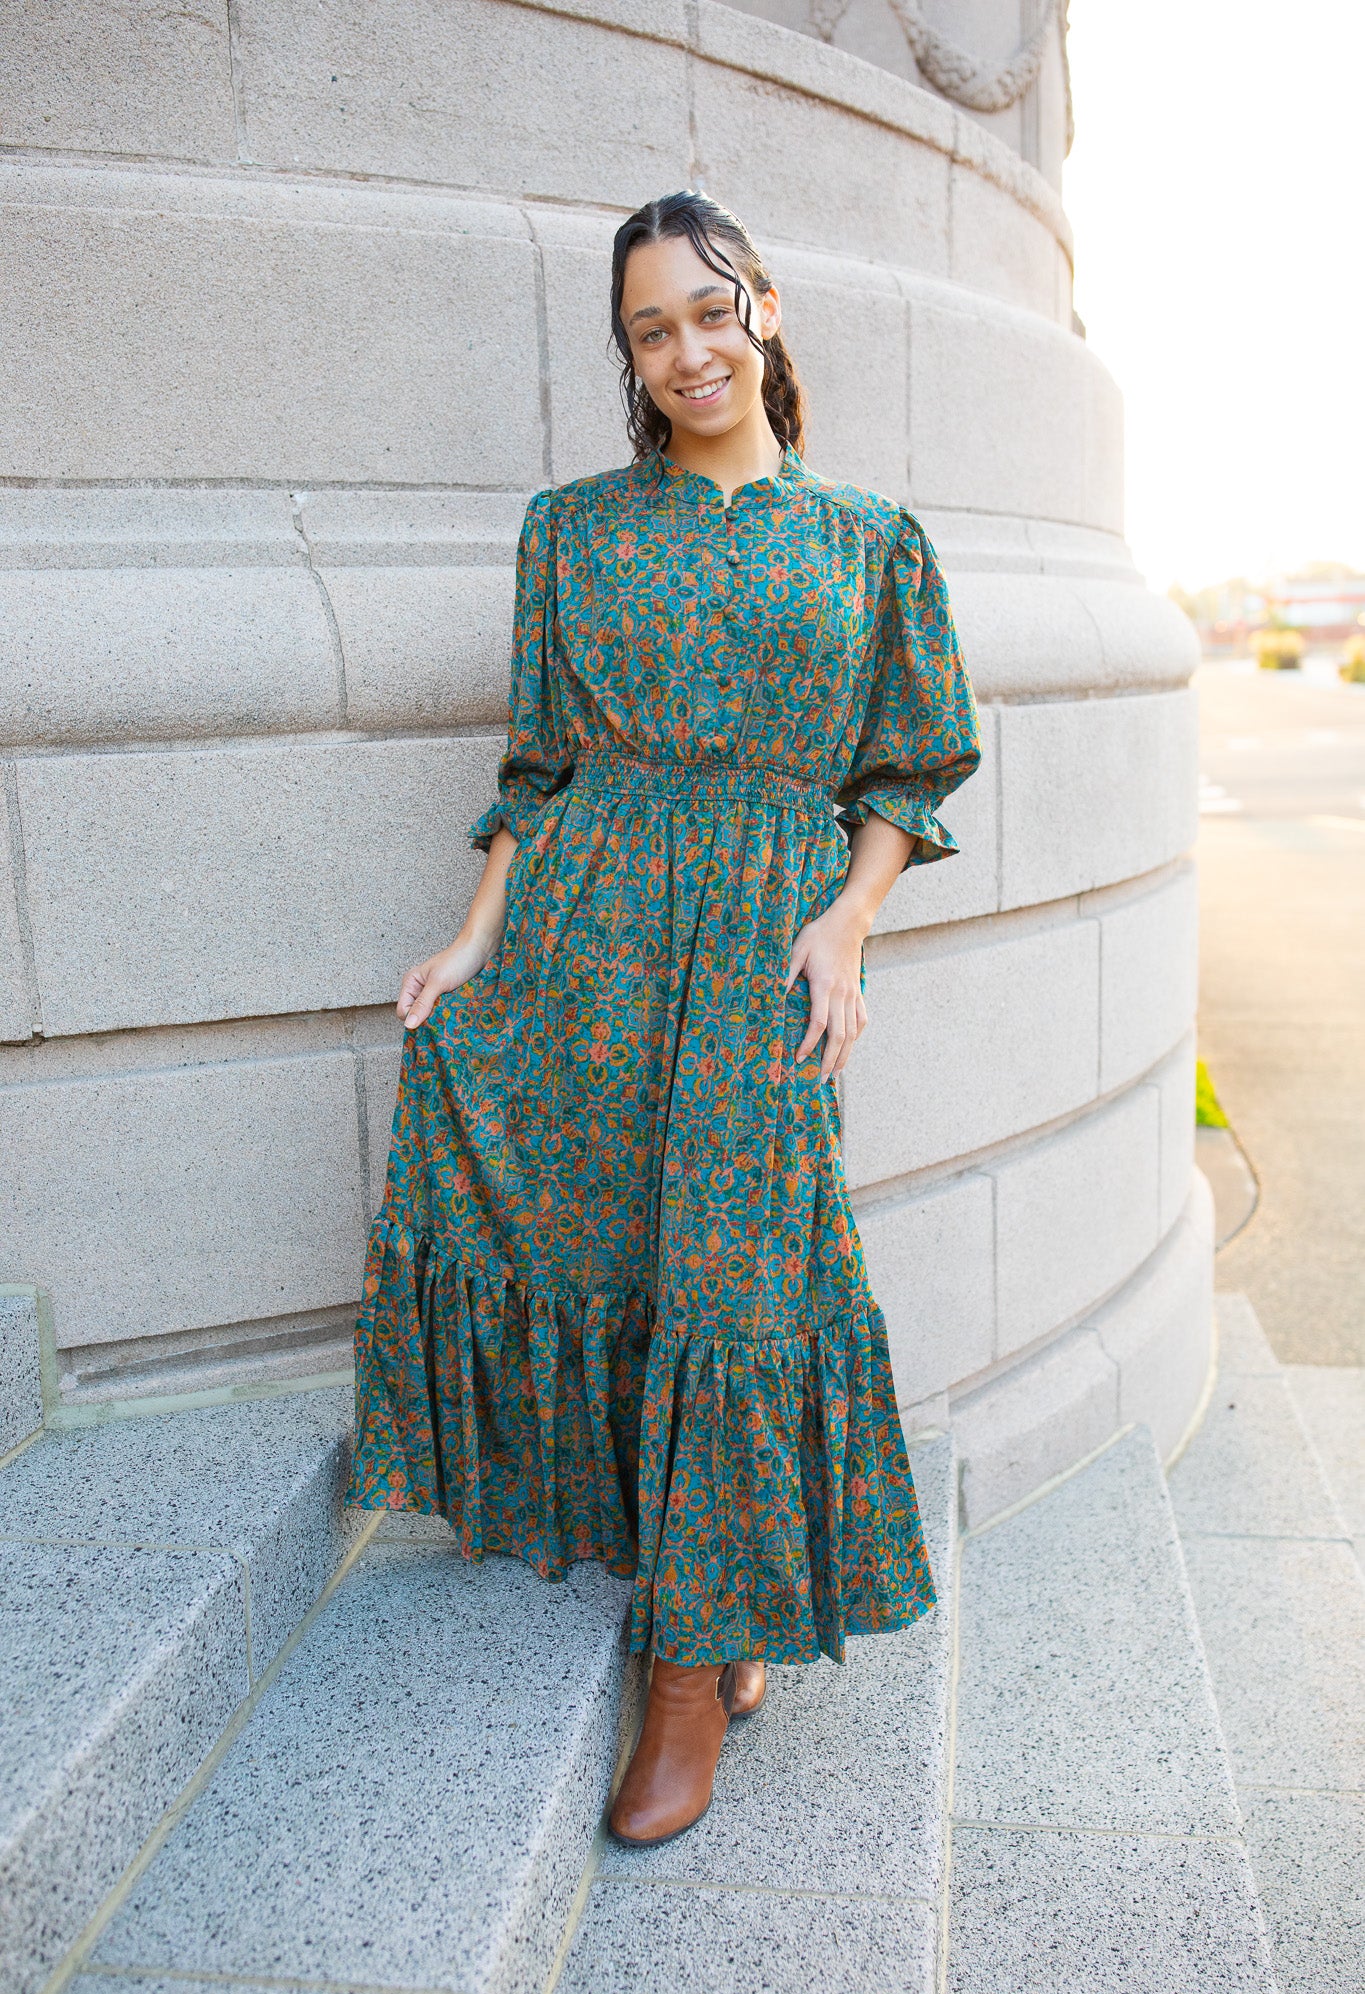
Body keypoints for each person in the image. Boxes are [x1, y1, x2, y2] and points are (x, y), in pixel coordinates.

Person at [346, 189, 980, 1846]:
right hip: (588, 927)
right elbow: (542, 769)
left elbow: (908, 770)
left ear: (761, 310)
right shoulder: (569, 530)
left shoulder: (869, 542)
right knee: (611, 1242)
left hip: (765, 937)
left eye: (708, 311)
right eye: (648, 330)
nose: (685, 351)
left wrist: (846, 923)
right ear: (627, 357)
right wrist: (472, 940)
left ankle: (688, 1670)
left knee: (737, 1274)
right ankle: (714, 1591)